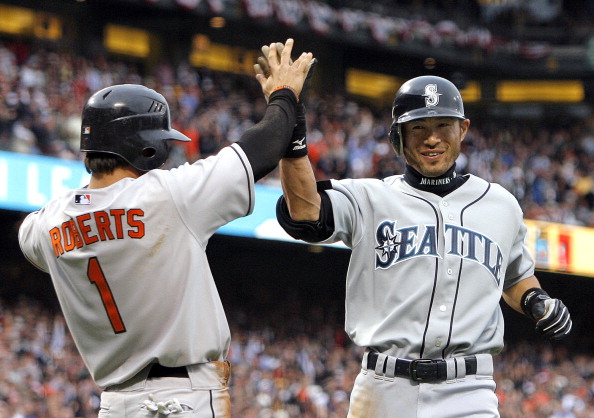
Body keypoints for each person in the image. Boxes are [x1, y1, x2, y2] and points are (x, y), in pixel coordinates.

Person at [18, 39, 314, 417]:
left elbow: (29, 236)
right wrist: (285, 95)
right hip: (183, 397)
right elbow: (260, 149)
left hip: (115, 403)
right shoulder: (166, 194)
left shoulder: (48, 223)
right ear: (147, 148)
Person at [268, 74, 573, 417]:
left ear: (463, 129)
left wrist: (537, 301)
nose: (432, 138)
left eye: (444, 125)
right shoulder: (369, 198)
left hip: (469, 390)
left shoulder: (500, 205)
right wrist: (291, 135)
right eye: (418, 128)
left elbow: (515, 277)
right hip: (384, 388)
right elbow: (305, 212)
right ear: (398, 135)